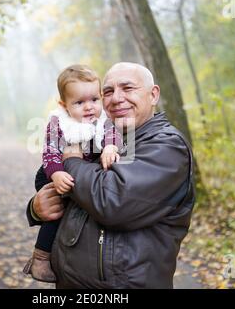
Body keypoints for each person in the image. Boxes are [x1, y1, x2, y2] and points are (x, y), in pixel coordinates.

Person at [26, 62, 195, 288]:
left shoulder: (166, 146)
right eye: (108, 92)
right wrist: (37, 209)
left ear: (153, 95)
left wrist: (71, 159)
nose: (116, 98)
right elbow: (70, 190)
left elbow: (111, 202)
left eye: (127, 88)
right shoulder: (100, 138)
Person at [23, 64, 122, 283]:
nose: (89, 107)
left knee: (73, 207)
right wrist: (56, 174)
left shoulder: (103, 120)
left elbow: (111, 135)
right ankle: (41, 257)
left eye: (94, 100)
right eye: (79, 102)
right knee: (56, 210)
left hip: (80, 171)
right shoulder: (59, 123)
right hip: (53, 172)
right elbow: (49, 153)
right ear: (64, 105)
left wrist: (109, 147)